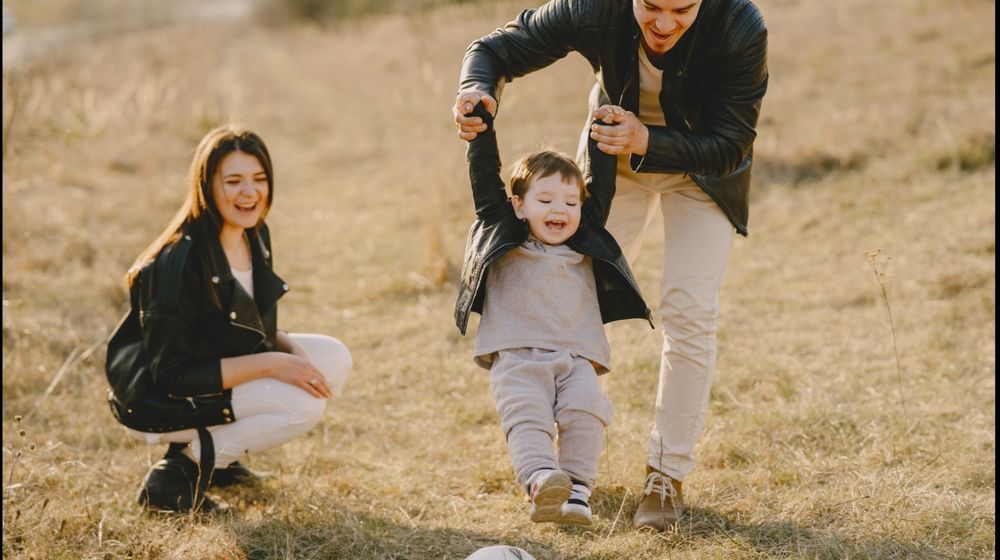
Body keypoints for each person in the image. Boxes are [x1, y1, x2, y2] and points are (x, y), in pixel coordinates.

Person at [452, 0, 768, 530]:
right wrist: (475, 89)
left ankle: (665, 475)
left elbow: (733, 142)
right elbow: (495, 48)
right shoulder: (593, 7)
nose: (664, 23)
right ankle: (554, 467)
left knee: (689, 313)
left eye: (683, 9)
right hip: (608, 165)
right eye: (650, 6)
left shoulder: (740, 25)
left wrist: (648, 138)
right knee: (573, 296)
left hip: (703, 172)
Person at [105, 125, 352, 512]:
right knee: (302, 406)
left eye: (259, 179)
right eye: (234, 181)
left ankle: (220, 462)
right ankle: (176, 476)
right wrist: (274, 363)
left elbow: (240, 326)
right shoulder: (178, 262)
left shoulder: (253, 233)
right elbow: (171, 376)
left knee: (334, 358)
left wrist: (288, 347)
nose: (250, 193)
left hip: (207, 374)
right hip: (159, 397)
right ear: (207, 186)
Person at [455, 103, 651, 525]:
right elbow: (484, 178)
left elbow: (601, 183)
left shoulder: (585, 240)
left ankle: (578, 490)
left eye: (569, 202)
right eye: (545, 199)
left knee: (585, 414)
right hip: (517, 355)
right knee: (528, 416)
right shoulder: (503, 231)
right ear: (519, 205)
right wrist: (480, 127)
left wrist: (605, 124)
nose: (559, 210)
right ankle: (542, 481)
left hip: (576, 355)